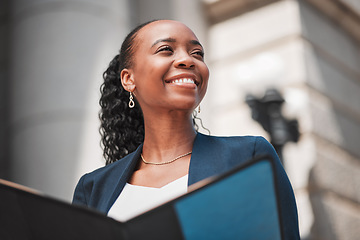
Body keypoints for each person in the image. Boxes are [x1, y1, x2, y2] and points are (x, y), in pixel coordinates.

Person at [72, 19, 300, 238]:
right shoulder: (93, 188)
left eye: (197, 53)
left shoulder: (247, 156)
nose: (188, 60)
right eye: (166, 50)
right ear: (128, 79)